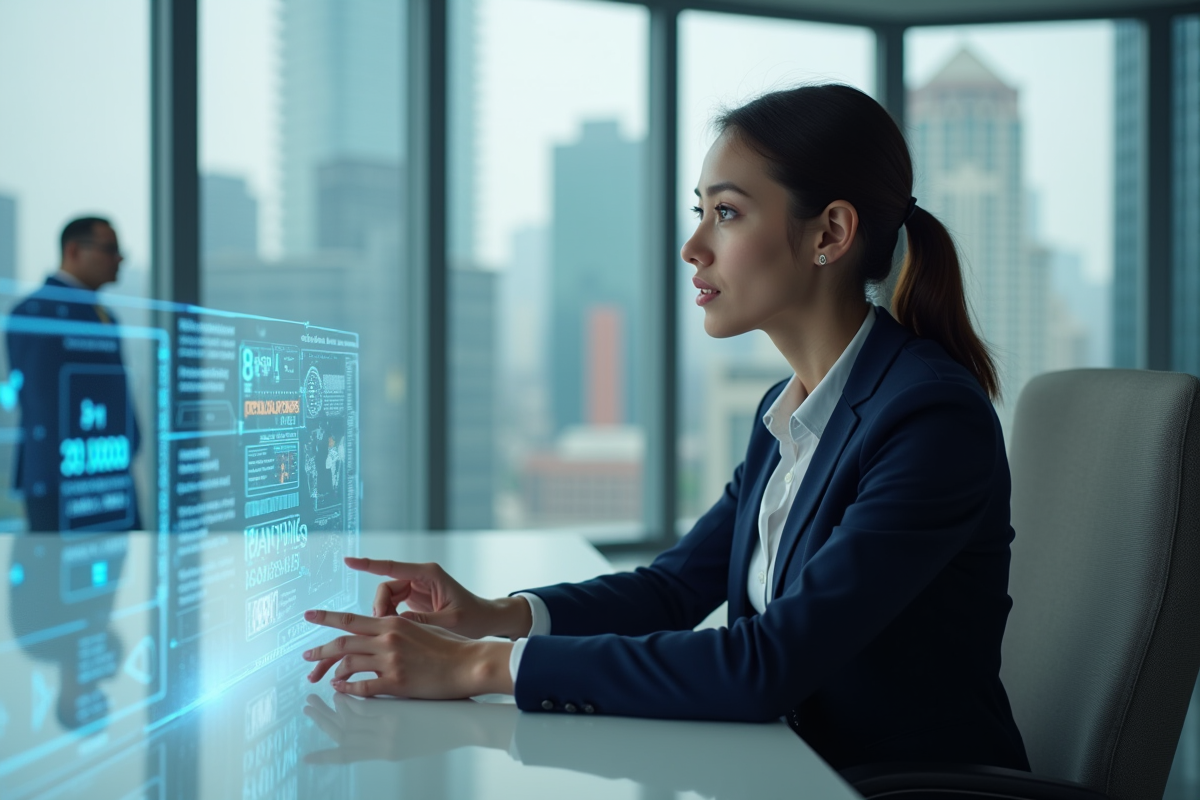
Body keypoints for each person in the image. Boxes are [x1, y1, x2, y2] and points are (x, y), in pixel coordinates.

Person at [300, 85, 1031, 771]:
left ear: (830, 233)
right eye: (700, 210)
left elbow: (767, 664)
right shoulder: (788, 411)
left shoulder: (929, 418)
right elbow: (673, 588)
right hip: (784, 771)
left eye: (728, 213)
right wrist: (494, 616)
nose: (693, 247)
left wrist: (476, 666)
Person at [5, 216, 142, 531]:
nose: (119, 259)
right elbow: (40, 403)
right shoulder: (37, 313)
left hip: (108, 474)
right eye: (110, 249)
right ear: (74, 251)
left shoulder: (104, 316)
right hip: (63, 483)